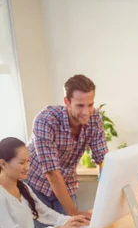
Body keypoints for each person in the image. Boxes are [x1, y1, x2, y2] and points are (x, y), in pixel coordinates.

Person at [26, 74, 108, 217]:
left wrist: (106, 201)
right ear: (67, 101)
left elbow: (103, 159)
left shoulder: (94, 118)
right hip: (36, 187)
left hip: (66, 184)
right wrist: (73, 214)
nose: (86, 112)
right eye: (80, 105)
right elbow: (52, 172)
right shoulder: (46, 120)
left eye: (90, 104)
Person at [0, 137, 89, 228]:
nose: (27, 167)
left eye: (28, 161)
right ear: (3, 164)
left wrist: (71, 220)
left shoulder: (24, 188)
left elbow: (45, 213)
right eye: (22, 162)